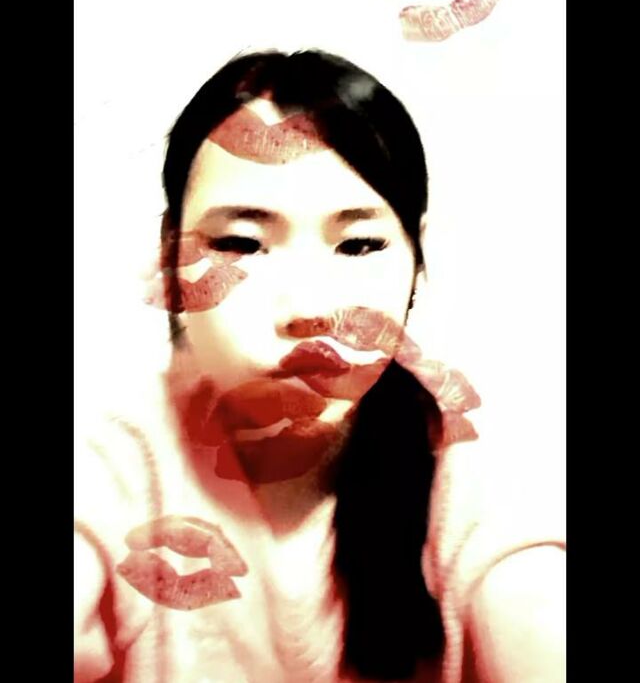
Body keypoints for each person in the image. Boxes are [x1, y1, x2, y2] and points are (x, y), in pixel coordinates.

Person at [74, 49, 566, 682]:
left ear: (416, 264)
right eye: (240, 243)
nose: (308, 309)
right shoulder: (113, 468)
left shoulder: (473, 479)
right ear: (170, 260)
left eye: (358, 245)